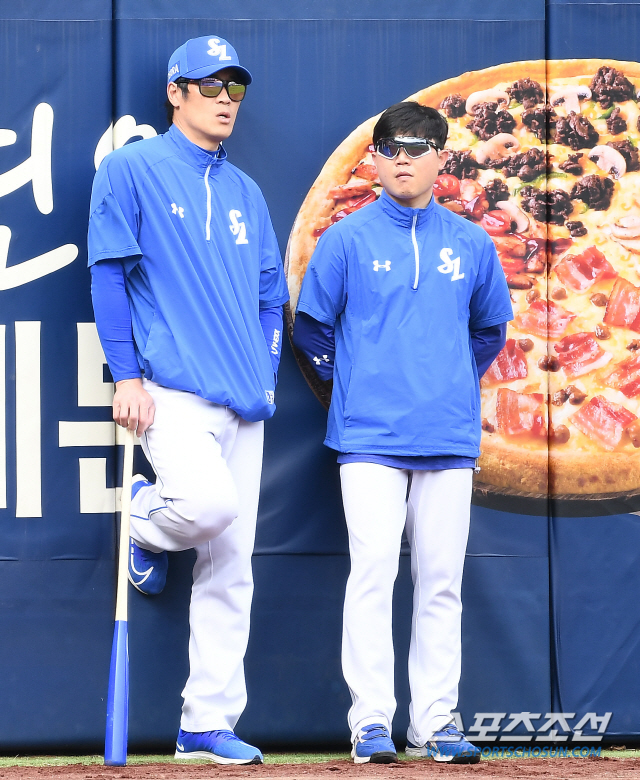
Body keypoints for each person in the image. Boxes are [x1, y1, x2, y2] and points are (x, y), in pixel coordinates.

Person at [88, 35, 288, 765]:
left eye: (235, 87)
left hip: (245, 401)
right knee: (206, 509)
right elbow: (109, 274)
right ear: (175, 93)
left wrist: (266, 373)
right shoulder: (131, 168)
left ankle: (204, 723)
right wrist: (126, 376)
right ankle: (145, 520)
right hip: (169, 390)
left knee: (232, 568)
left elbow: (271, 296)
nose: (226, 100)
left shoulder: (247, 192)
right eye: (210, 86)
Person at [293, 102, 512, 765]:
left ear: (442, 158)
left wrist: (447, 381)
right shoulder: (344, 238)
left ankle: (436, 722)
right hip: (368, 438)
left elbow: (489, 330)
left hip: (447, 435)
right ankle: (370, 723)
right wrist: (357, 381)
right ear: (375, 159)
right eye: (391, 147)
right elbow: (311, 328)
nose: (404, 158)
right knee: (373, 573)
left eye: (419, 147)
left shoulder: (471, 242)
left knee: (441, 580)